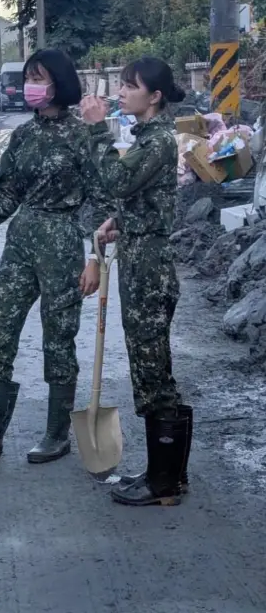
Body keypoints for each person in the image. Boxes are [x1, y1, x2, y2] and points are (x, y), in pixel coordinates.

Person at [0, 48, 114, 465]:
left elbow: (100, 202)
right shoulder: (23, 136)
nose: (32, 84)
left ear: (60, 84)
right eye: (29, 76)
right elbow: (9, 192)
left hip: (64, 243)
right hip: (21, 242)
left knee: (58, 338)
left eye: (40, 77)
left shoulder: (82, 135)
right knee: (0, 332)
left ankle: (55, 434)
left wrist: (95, 259)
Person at [81, 56, 192, 507]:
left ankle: (164, 482)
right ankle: (165, 475)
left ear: (155, 96)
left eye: (130, 86)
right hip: (141, 257)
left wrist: (95, 128)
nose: (121, 92)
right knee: (150, 369)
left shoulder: (159, 140)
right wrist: (117, 222)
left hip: (149, 270)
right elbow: (141, 199)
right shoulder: (151, 138)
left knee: (152, 374)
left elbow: (117, 180)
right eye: (121, 85)